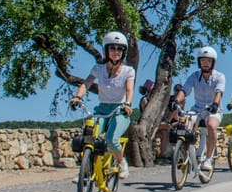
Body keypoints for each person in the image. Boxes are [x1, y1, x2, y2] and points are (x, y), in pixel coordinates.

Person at [69, 31, 135, 179]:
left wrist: (128, 104)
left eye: (120, 49)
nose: (116, 51)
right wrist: (77, 97)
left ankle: (122, 162)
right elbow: (86, 83)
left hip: (120, 109)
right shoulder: (98, 69)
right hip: (101, 109)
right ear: (106, 50)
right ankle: (85, 172)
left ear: (123, 52)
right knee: (89, 137)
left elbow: (129, 89)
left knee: (111, 140)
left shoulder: (128, 71)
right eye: (112, 48)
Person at [173, 46, 226, 171]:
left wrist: (215, 104)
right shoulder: (194, 76)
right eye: (203, 60)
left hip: (213, 110)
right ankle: (184, 153)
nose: (205, 63)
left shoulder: (219, 77)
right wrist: (176, 101)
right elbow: (184, 91)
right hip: (197, 109)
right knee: (185, 124)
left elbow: (219, 93)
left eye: (208, 61)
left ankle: (208, 159)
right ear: (199, 62)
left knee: (211, 125)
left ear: (213, 63)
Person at [138, 80, 183, 161]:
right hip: (147, 124)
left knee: (165, 131)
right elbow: (147, 115)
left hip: (154, 124)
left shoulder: (155, 101)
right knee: (167, 127)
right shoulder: (145, 100)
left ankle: (162, 155)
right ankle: (167, 151)